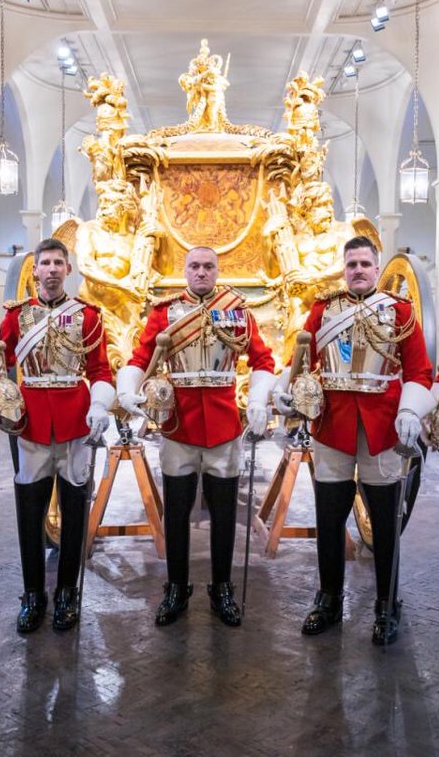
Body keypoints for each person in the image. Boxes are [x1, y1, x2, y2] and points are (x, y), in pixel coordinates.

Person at [274, 236, 433, 644]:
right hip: (333, 426)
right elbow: (299, 362)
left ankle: (387, 602)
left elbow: (419, 372)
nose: (358, 270)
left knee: (384, 522)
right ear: (343, 269)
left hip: (383, 428)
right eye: (352, 264)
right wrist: (284, 392)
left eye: (365, 263)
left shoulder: (400, 312)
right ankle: (328, 598)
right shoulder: (323, 310)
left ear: (377, 269)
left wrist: (412, 409)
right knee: (329, 520)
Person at [117, 246, 276, 627]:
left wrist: (257, 399)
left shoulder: (238, 311)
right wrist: (128, 390)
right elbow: (140, 358)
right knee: (176, 512)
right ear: (184, 271)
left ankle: (222, 586)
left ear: (218, 271)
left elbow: (262, 360)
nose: (201, 272)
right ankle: (176, 585)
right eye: (195, 266)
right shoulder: (163, 312)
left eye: (208, 266)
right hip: (179, 426)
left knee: (224, 514)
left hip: (223, 427)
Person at [0, 238, 114, 633]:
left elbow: (100, 371)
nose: (51, 269)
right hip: (30, 425)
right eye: (44, 263)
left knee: (73, 515)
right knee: (29, 515)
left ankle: (68, 591)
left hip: (74, 426)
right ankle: (33, 593)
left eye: (58, 263)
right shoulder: (17, 316)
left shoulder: (88, 316)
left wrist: (99, 405)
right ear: (34, 270)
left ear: (68, 270)